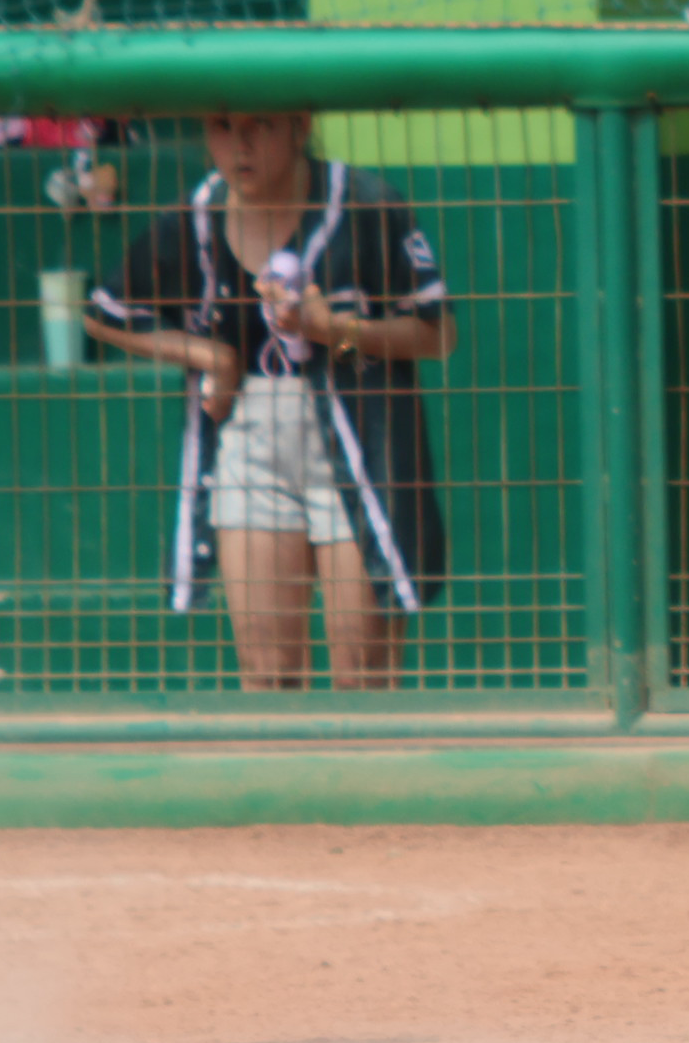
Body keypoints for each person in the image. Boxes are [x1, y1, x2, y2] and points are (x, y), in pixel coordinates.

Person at [85, 113, 452, 692]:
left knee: (363, 671)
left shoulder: (367, 204)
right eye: (222, 127)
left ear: (299, 126)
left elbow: (437, 333)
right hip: (248, 439)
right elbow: (103, 314)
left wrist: (335, 330)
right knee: (267, 671)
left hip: (358, 441)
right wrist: (211, 357)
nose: (241, 145)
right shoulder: (195, 215)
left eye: (260, 125)